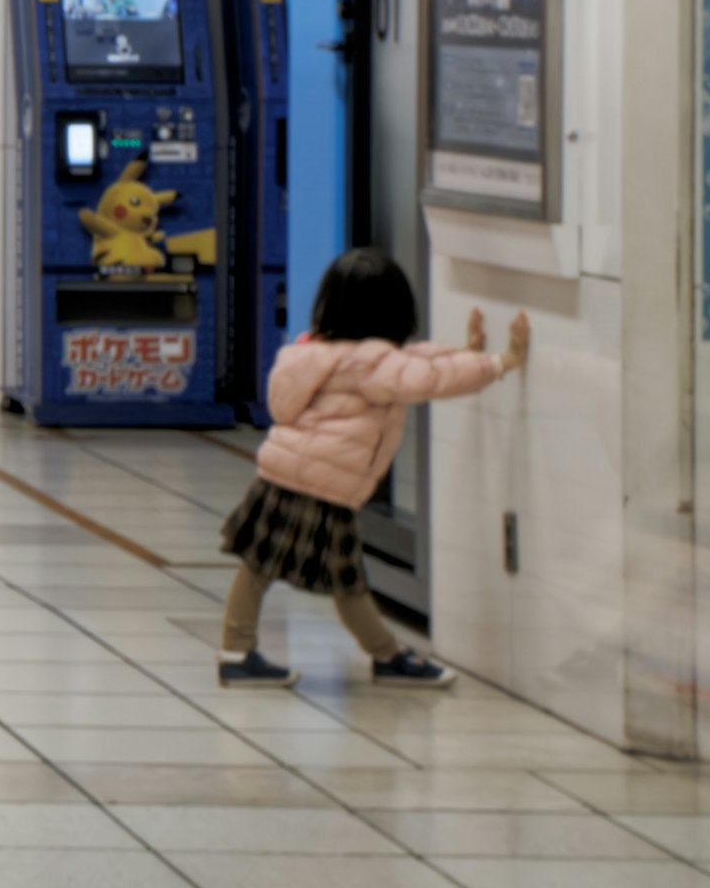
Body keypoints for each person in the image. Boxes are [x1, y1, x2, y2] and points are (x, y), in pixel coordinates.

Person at [217, 246, 525, 689]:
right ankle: (383, 656)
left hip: (289, 476)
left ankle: (242, 652)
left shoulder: (318, 350)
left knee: (270, 568)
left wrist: (467, 353)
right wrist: (499, 364)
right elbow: (427, 378)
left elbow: (417, 361)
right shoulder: (371, 365)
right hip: (320, 486)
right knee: (340, 579)